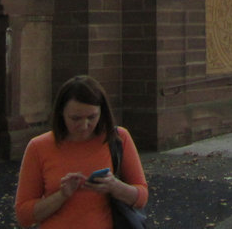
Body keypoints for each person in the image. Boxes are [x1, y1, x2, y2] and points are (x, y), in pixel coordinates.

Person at [15, 75, 148, 228]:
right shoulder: (39, 147)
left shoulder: (118, 139)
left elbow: (141, 196)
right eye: (75, 118)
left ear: (102, 113)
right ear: (61, 114)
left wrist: (115, 186)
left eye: (92, 117)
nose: (84, 125)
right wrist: (62, 195)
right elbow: (24, 215)